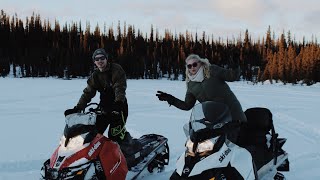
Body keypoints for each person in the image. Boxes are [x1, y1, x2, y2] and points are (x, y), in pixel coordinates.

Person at [65, 48, 141, 157]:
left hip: (118, 108)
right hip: (103, 109)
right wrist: (78, 108)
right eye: (97, 59)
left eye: (102, 58)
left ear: (106, 59)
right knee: (93, 134)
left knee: (115, 135)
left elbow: (119, 87)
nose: (100, 61)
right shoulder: (95, 75)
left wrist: (118, 103)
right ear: (94, 61)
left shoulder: (116, 69)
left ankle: (132, 152)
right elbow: (88, 92)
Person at [156, 54, 247, 140]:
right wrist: (170, 99)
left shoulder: (212, 70)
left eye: (195, 64)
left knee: (238, 140)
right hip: (213, 119)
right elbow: (187, 105)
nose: (192, 67)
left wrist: (236, 65)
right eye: (189, 66)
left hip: (232, 112)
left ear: (201, 63)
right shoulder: (191, 84)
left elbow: (232, 76)